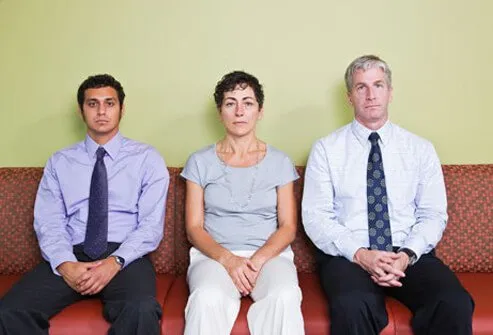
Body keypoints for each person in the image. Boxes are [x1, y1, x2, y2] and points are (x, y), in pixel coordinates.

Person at [302, 55, 474, 335]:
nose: (371, 95)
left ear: (390, 93)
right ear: (349, 97)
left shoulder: (420, 149)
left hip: (409, 255)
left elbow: (433, 214)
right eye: (361, 87)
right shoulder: (326, 150)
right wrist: (361, 255)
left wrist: (406, 255)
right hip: (350, 255)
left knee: (453, 303)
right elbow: (316, 217)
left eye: (378, 85)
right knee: (351, 305)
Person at [0, 74, 169, 335]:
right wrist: (65, 264)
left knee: (141, 310)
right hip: (73, 252)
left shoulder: (147, 159)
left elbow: (150, 226)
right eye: (92, 104)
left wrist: (115, 262)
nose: (101, 111)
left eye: (109, 103)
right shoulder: (60, 162)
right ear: (81, 111)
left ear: (122, 109)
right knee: (9, 312)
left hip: (125, 256)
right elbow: (48, 222)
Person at [181, 71, 304, 335]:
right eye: (230, 103)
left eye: (247, 103)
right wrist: (229, 260)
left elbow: (288, 226)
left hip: (270, 257)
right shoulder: (199, 161)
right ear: (219, 111)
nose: (239, 111)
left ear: (259, 111)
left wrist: (257, 261)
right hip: (213, 257)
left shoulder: (280, 162)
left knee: (285, 296)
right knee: (206, 298)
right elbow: (194, 228)